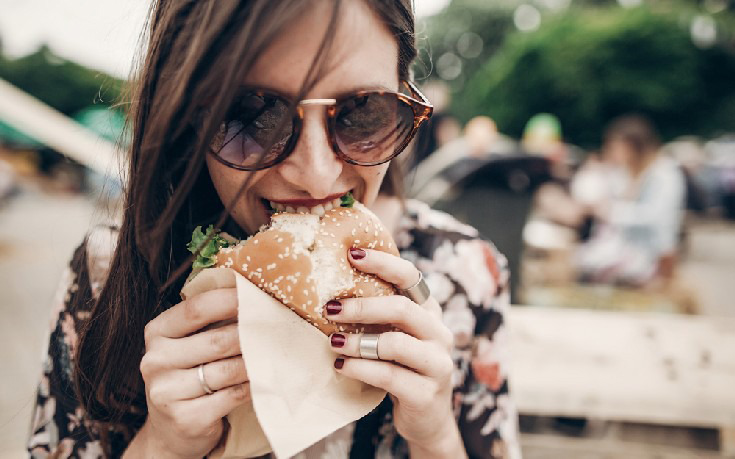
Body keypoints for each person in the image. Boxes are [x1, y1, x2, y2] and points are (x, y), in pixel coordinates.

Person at [27, 1, 520, 458]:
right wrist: (162, 445)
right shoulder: (103, 275)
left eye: (364, 112)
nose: (316, 174)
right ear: (182, 119)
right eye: (252, 117)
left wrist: (435, 433)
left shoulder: (466, 274)